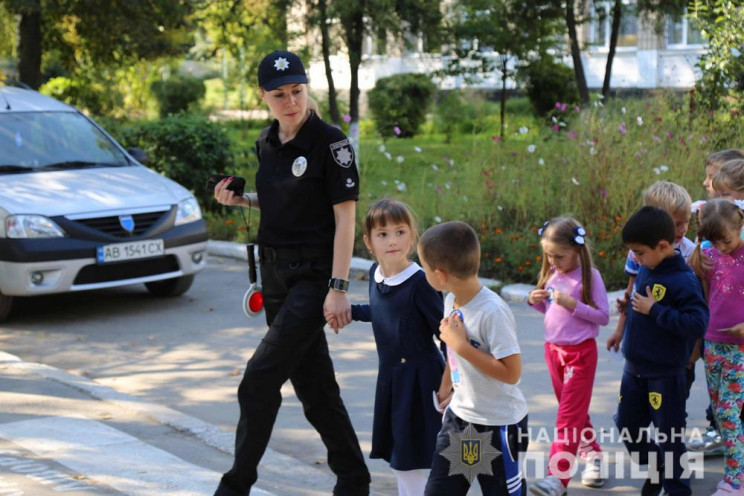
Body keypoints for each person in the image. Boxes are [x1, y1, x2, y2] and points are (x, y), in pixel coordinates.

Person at [211, 49, 370, 496]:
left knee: (258, 379)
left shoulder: (331, 143)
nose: (291, 102)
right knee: (316, 389)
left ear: (306, 89)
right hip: (276, 276)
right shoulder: (267, 143)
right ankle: (354, 481)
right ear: (263, 96)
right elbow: (284, 203)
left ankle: (235, 485)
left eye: (297, 91)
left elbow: (344, 219)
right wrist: (241, 201)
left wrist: (337, 288)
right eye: (279, 94)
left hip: (314, 278)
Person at [416, 221, 529, 496]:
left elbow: (511, 373)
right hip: (462, 420)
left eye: (424, 267)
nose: (423, 272)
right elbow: (454, 351)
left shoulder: (493, 312)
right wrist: (447, 384)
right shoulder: (451, 299)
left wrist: (462, 346)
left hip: (499, 427)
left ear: (440, 275)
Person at [343, 198, 447, 496]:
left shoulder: (420, 283)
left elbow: (446, 334)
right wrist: (351, 312)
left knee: (416, 458)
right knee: (402, 456)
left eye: (400, 232)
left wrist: (449, 383)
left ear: (412, 237)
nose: (393, 241)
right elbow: (384, 311)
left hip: (421, 381)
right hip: (391, 380)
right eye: (383, 234)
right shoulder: (377, 275)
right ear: (368, 242)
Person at [615, 206, 709, 496]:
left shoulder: (684, 280)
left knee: (670, 438)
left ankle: (676, 488)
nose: (636, 259)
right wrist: (629, 314)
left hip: (665, 375)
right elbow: (642, 304)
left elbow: (697, 322)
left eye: (639, 253)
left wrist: (655, 310)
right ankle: (658, 467)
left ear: (664, 246)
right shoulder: (647, 267)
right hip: (634, 370)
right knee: (627, 426)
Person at [527, 218, 610, 496]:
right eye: (549, 255)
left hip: (580, 355)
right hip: (553, 352)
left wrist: (574, 304)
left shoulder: (590, 276)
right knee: (573, 412)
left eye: (559, 256)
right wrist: (537, 301)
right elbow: (551, 312)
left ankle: (557, 478)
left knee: (567, 418)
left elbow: (603, 317)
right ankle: (593, 456)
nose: (553, 261)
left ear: (578, 251)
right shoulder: (553, 273)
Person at [687, 199, 744, 496]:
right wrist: (696, 261)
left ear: (740, 226)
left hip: (740, 348)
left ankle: (735, 480)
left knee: (728, 411)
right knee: (720, 412)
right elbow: (702, 290)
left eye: (727, 240)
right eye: (713, 241)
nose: (722, 247)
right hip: (713, 343)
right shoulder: (707, 253)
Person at [607, 181, 695, 354]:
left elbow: (693, 306)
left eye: (687, 222)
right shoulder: (637, 253)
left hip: (672, 338)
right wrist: (620, 331)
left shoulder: (690, 252)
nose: (684, 229)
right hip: (642, 336)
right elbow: (632, 293)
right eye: (677, 224)